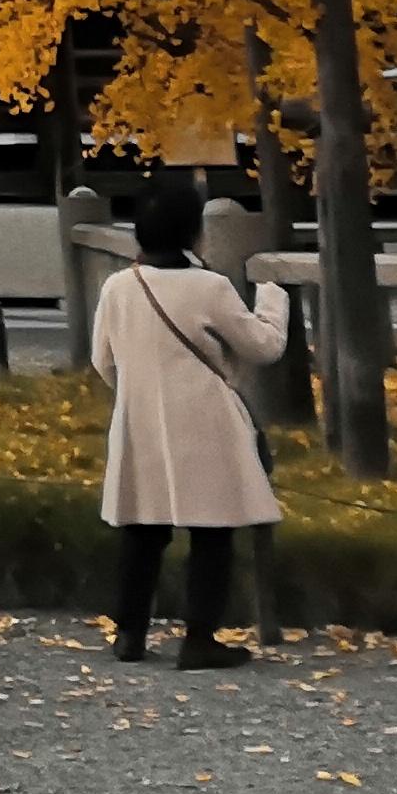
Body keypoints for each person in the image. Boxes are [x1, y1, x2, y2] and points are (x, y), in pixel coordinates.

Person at [94, 173, 291, 669]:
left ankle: (129, 633)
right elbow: (264, 346)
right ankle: (199, 638)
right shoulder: (209, 287)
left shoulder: (118, 287)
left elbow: (103, 361)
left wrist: (139, 388)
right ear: (193, 231)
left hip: (139, 418)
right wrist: (273, 298)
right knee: (212, 531)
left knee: (142, 529)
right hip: (205, 421)